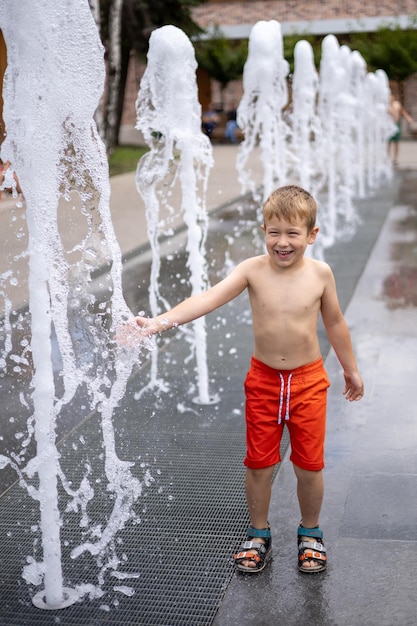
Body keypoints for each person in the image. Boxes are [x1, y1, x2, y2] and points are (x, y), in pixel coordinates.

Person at [130, 185, 364, 574]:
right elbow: (207, 298)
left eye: (293, 233)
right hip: (265, 381)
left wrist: (351, 369)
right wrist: (158, 323)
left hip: (308, 381)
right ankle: (259, 534)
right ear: (264, 231)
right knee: (258, 463)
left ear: (312, 234)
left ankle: (310, 534)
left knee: (309, 466)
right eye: (275, 232)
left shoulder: (321, 274)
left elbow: (335, 322)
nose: (282, 242)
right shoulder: (251, 270)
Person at [388, 94, 414, 166]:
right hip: (389, 126)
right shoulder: (386, 105)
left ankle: (395, 159)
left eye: (391, 97)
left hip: (396, 125)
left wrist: (408, 118)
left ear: (393, 97)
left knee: (396, 142)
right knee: (389, 142)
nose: (390, 99)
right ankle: (388, 158)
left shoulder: (397, 104)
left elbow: (403, 112)